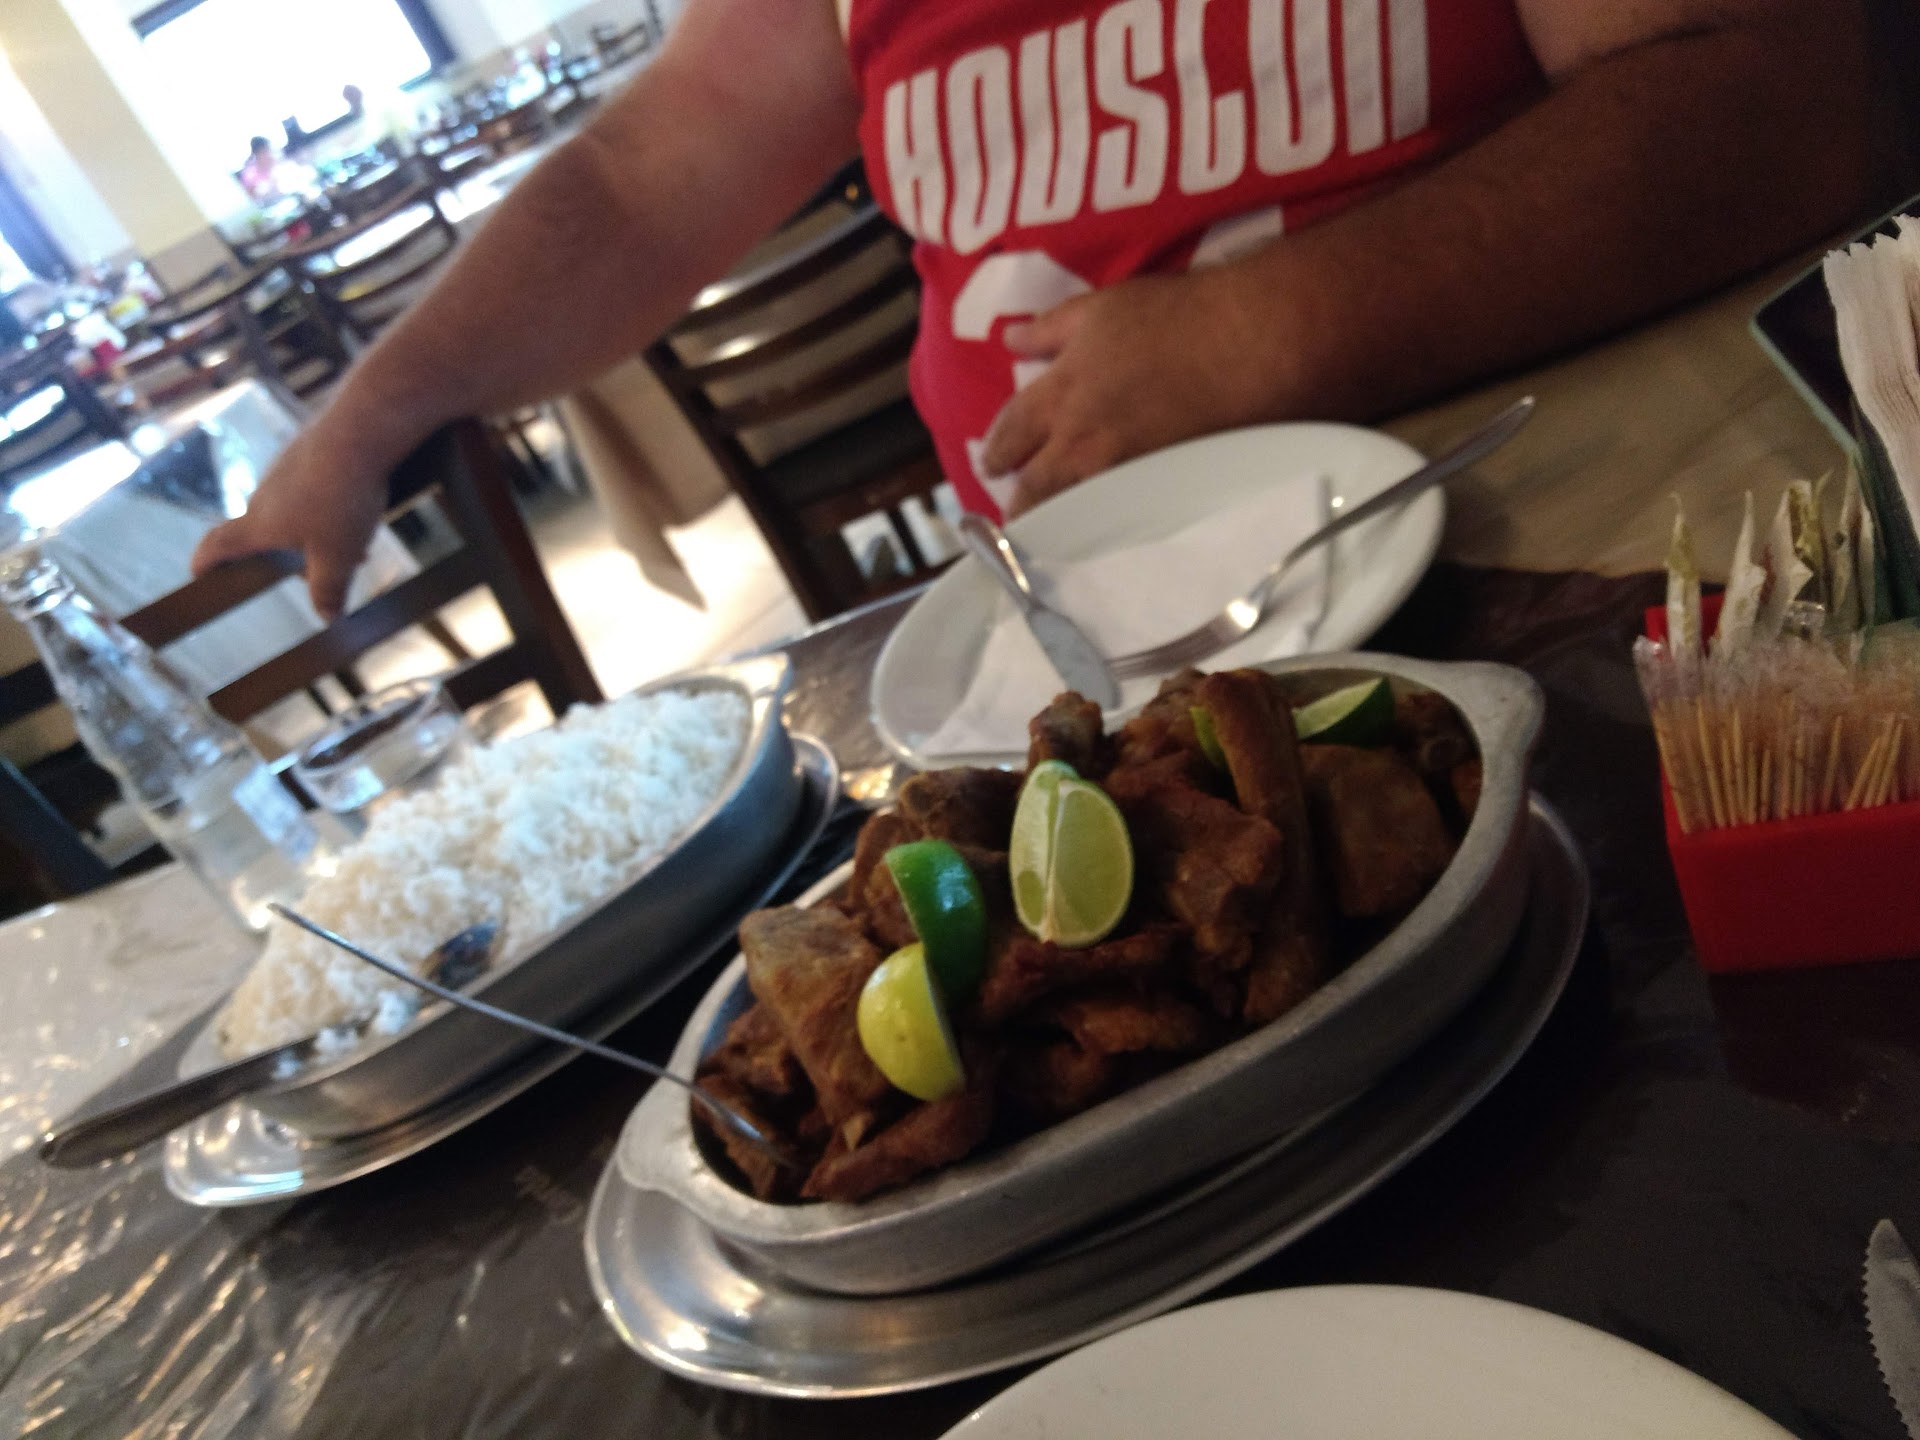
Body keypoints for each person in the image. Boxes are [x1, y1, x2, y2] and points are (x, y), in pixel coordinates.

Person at [195, 0, 1874, 620]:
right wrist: (371, 412)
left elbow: (1783, 91)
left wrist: (1272, 330)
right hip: (1109, 671)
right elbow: (646, 173)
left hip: (1613, 598)